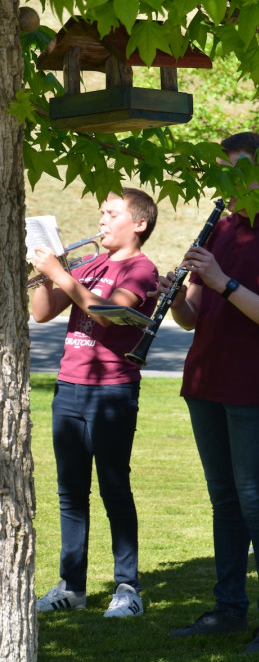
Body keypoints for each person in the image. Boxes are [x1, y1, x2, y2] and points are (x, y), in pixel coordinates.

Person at [166, 132, 259, 653]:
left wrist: (224, 281)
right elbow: (192, 317)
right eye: (222, 172)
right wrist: (177, 296)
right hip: (204, 379)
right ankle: (229, 609)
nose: (227, 183)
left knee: (258, 503)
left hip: (252, 384)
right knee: (225, 501)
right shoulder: (220, 227)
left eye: (239, 170)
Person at [31, 188, 159, 618]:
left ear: (138, 224)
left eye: (112, 213)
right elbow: (42, 311)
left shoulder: (142, 269)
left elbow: (106, 313)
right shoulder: (90, 263)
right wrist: (50, 270)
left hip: (113, 389)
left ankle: (128, 587)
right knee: (70, 491)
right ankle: (73, 587)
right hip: (69, 384)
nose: (101, 220)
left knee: (113, 488)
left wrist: (62, 274)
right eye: (100, 213)